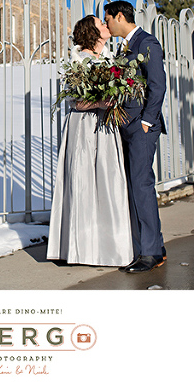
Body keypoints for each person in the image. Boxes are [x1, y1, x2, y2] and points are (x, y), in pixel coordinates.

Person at [46, 15, 134, 267]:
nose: (106, 26)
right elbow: (75, 101)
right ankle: (80, 248)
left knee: (109, 181)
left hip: (107, 126)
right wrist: (99, 102)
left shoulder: (110, 58)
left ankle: (110, 247)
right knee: (82, 182)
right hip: (83, 127)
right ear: (91, 32)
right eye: (101, 24)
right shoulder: (77, 61)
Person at [103, 0, 168, 273]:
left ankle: (151, 253)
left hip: (141, 127)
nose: (106, 24)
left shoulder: (146, 43)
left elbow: (158, 85)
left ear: (120, 16)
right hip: (126, 125)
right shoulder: (124, 47)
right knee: (134, 187)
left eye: (108, 19)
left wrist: (146, 121)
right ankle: (151, 247)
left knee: (141, 186)